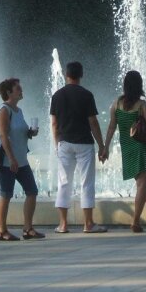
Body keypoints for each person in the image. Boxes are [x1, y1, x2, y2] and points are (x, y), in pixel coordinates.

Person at [102, 70, 146, 232]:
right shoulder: (141, 105)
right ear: (139, 86)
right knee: (143, 185)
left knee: (143, 186)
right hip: (143, 147)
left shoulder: (116, 104)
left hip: (128, 148)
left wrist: (106, 147)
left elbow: (111, 127)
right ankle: (135, 222)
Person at [50, 61, 107, 234]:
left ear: (66, 75)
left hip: (64, 143)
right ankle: (88, 224)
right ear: (81, 75)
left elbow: (54, 123)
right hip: (84, 143)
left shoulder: (57, 96)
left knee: (64, 183)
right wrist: (102, 145)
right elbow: (93, 122)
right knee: (87, 183)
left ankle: (63, 224)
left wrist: (57, 143)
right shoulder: (86, 95)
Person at [0, 78, 45, 241]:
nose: (21, 91)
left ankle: (28, 228)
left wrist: (30, 133)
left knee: (32, 192)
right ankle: (1, 230)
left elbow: (18, 132)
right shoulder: (4, 110)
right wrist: (11, 158)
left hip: (21, 160)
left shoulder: (18, 110)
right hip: (8, 162)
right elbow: (3, 135)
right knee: (6, 194)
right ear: (9, 92)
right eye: (18, 89)